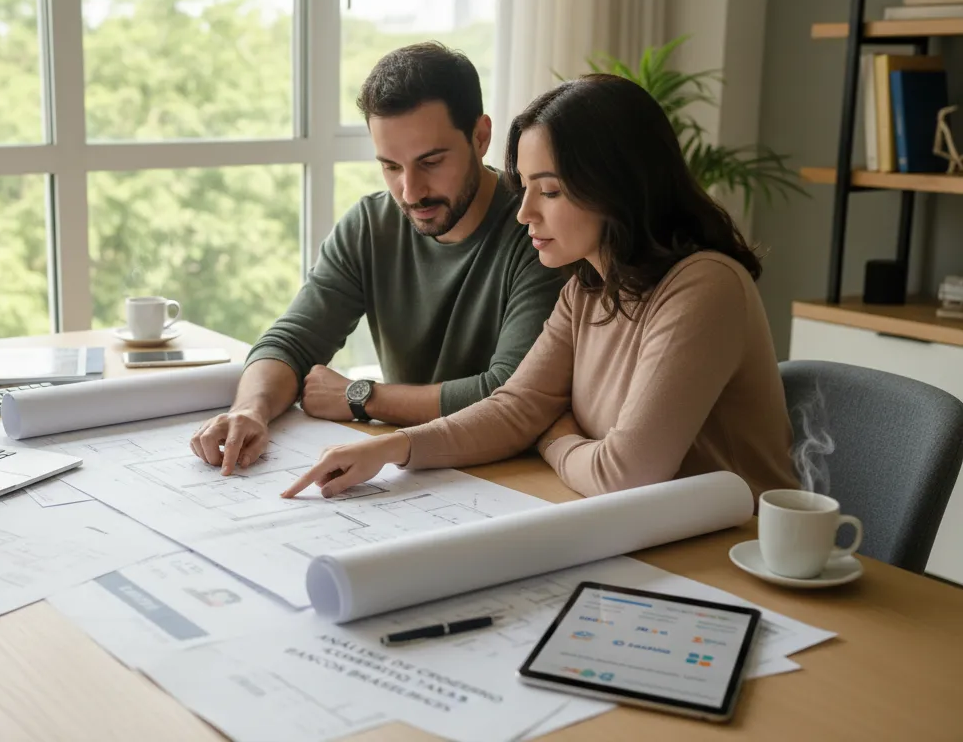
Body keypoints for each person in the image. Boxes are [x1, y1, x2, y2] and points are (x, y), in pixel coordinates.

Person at [282, 73, 801, 502]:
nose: (526, 212)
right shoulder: (588, 288)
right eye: (524, 188)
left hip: (731, 556)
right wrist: (391, 450)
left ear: (614, 186)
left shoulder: (704, 288)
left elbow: (623, 474)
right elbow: (515, 408)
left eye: (549, 190)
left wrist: (553, 435)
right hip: (641, 533)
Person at [189, 42, 563, 476]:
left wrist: (361, 396)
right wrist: (251, 410)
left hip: (510, 473)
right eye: (390, 166)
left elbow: (510, 394)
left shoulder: (538, 230)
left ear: (480, 137)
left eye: (431, 161)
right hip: (409, 466)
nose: (410, 191)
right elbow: (292, 342)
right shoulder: (370, 225)